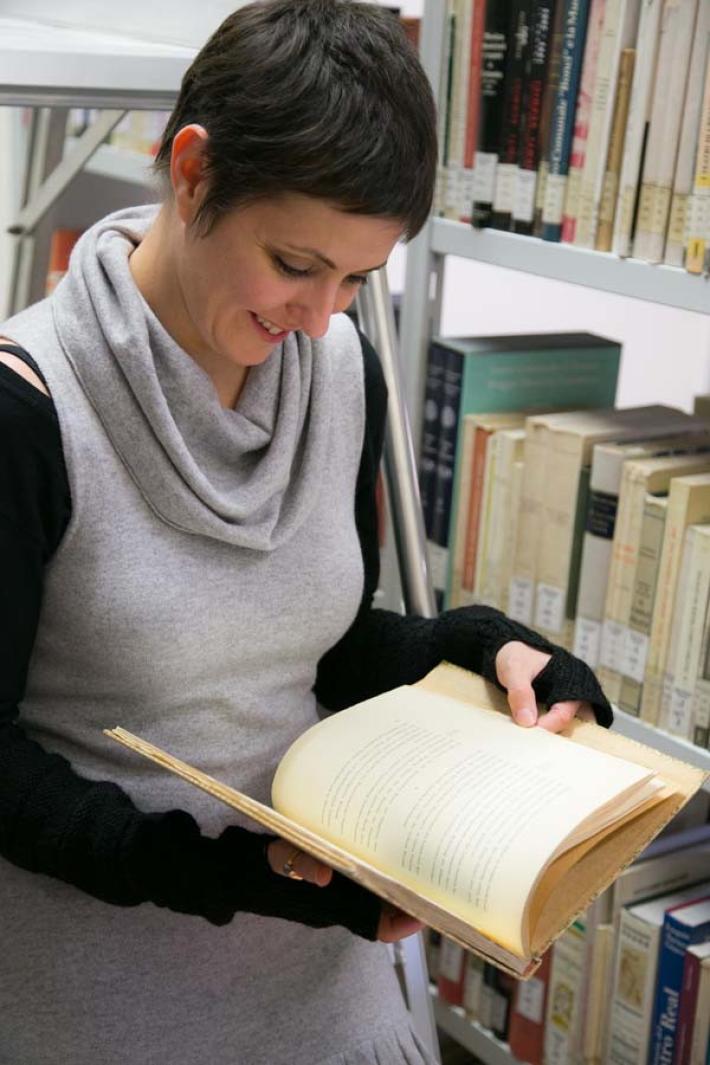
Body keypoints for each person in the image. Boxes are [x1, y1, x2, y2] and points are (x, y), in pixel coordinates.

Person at [0, 1, 612, 1062]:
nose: (322, 316)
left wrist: (479, 649)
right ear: (193, 173)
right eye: (294, 263)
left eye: (357, 278)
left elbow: (312, 644)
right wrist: (213, 870)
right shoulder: (27, 413)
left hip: (324, 993)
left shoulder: (339, 371)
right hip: (100, 1005)